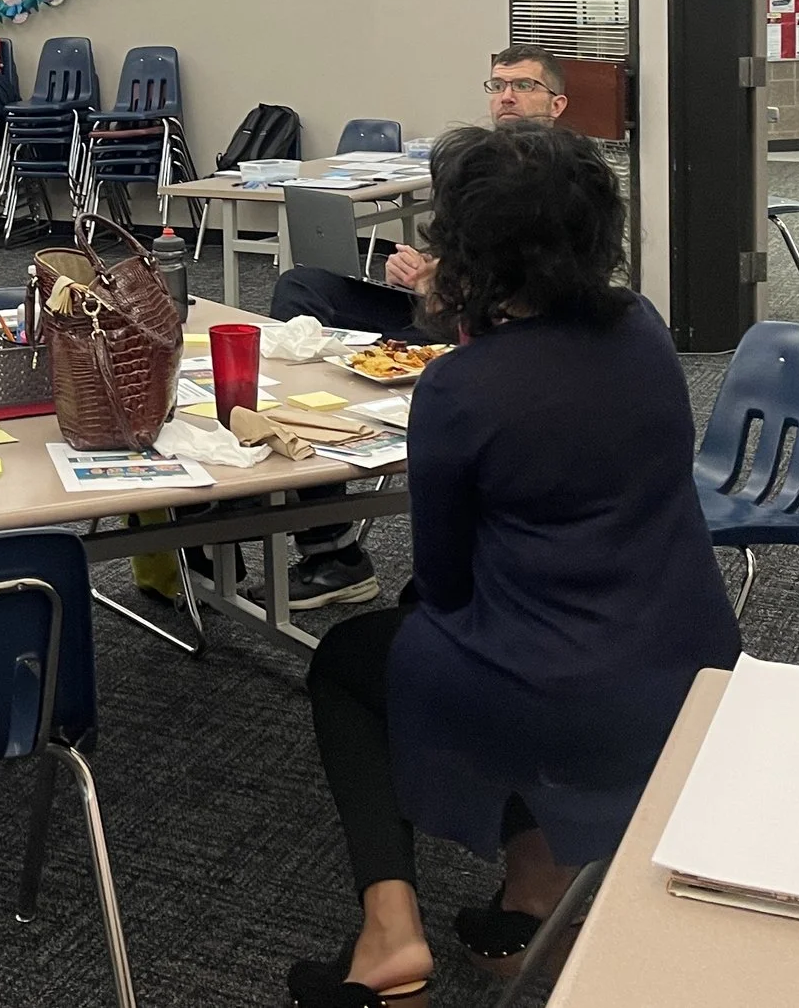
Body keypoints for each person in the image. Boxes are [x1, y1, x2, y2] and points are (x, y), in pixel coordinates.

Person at [287, 125, 739, 1008]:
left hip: (567, 696)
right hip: (693, 673)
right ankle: (533, 896)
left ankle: (388, 932)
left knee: (348, 661)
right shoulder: (644, 328)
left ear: (468, 250)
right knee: (519, 636)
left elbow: (445, 582)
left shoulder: (460, 387)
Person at [261, 48, 570, 609]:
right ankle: (303, 442)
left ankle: (328, 550)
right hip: (439, 301)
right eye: (497, 85)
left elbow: (530, 290)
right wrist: (416, 269)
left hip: (487, 323)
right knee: (303, 288)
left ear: (557, 104)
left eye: (523, 86)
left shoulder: (563, 180)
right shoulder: (474, 165)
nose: (506, 97)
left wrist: (446, 288)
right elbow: (456, 252)